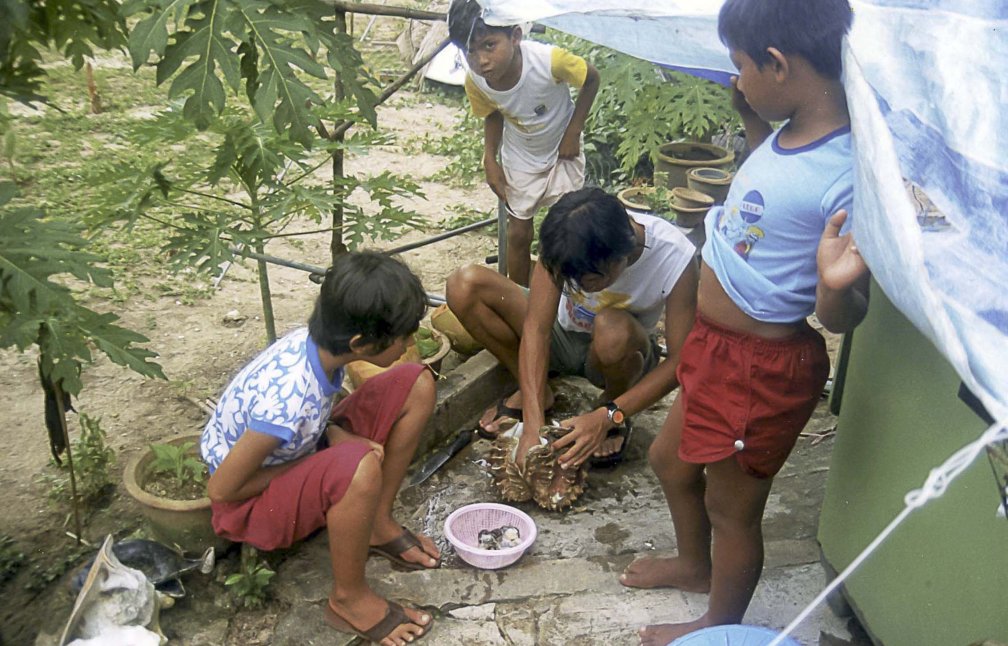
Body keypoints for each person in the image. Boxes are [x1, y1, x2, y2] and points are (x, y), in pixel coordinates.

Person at [618, 1, 871, 644]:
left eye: (740, 68)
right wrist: (753, 123)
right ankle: (693, 564)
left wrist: (832, 287)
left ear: (778, 63)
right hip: (715, 347)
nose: (736, 80)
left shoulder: (846, 173)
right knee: (670, 462)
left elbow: (844, 312)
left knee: (732, 511)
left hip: (758, 368)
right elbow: (776, 206)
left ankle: (716, 626)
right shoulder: (786, 131)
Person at [200, 252, 441, 644]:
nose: (409, 342)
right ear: (361, 344)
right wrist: (324, 457)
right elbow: (222, 492)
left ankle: (377, 524)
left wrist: (333, 435)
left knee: (416, 383)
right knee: (359, 466)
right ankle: (348, 598)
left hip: (294, 455)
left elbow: (313, 416)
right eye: (403, 335)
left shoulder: (320, 349)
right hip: (250, 507)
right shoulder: (287, 400)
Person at [446, 187, 698, 469]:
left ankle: (611, 406)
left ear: (619, 257)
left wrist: (610, 415)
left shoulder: (674, 256)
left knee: (612, 327)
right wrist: (533, 426)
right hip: (561, 335)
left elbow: (682, 361)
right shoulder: (567, 239)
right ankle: (539, 394)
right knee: (464, 285)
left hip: (619, 355)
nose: (575, 286)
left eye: (586, 280)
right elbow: (537, 329)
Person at [447, 0, 600, 287]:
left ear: (515, 37)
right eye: (470, 51)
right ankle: (520, 297)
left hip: (562, 154)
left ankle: (563, 297)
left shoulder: (549, 61)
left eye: (489, 46)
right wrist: (490, 159)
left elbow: (592, 78)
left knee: (566, 229)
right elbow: (492, 114)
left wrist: (573, 131)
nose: (481, 61)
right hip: (521, 156)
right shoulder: (476, 81)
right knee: (518, 234)